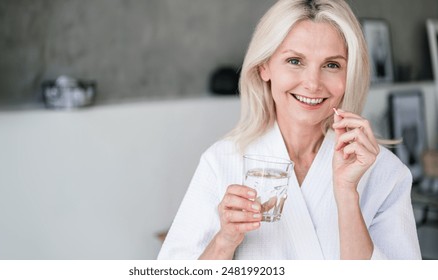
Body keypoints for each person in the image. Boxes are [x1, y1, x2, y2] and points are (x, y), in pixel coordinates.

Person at [157, 0, 421, 260]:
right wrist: (225, 240)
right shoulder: (221, 162)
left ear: (348, 74)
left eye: (332, 65)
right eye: (295, 61)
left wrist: (346, 194)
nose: (312, 84)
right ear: (264, 66)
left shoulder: (385, 173)